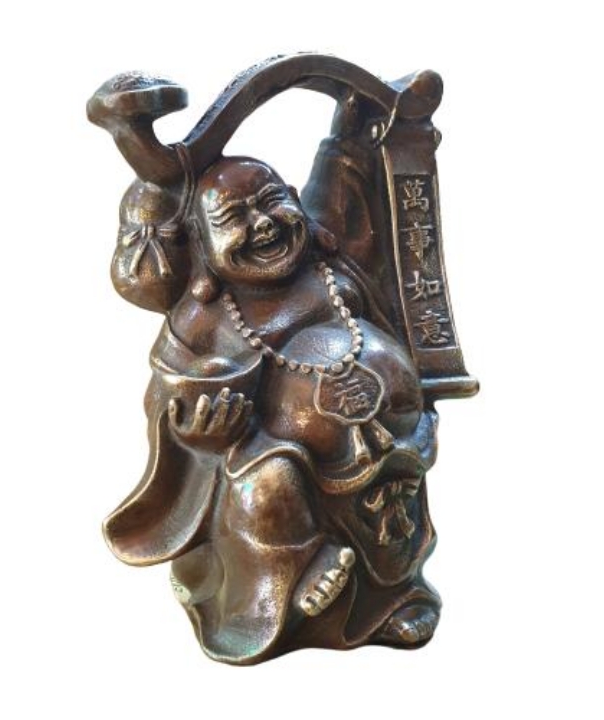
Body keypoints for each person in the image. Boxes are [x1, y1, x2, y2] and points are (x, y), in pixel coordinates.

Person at [103, 156, 442, 664]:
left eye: (271, 201)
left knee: (392, 513)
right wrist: (199, 438)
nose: (262, 223)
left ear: (296, 199)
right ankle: (289, 585)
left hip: (380, 441)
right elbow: (169, 399)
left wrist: (360, 129)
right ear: (201, 242)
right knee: (268, 486)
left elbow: (350, 182)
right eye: (233, 217)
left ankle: (391, 599)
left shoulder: (330, 269)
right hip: (271, 452)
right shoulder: (203, 316)